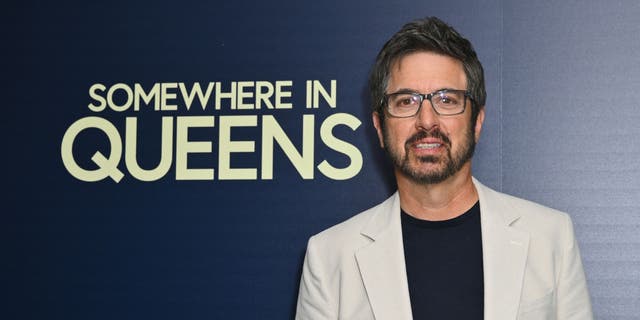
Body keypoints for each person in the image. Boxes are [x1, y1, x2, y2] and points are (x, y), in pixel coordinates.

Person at [295, 17, 593, 319]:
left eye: (447, 100)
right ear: (379, 127)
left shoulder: (550, 237)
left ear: (476, 122)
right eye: (406, 101)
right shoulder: (330, 257)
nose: (427, 120)